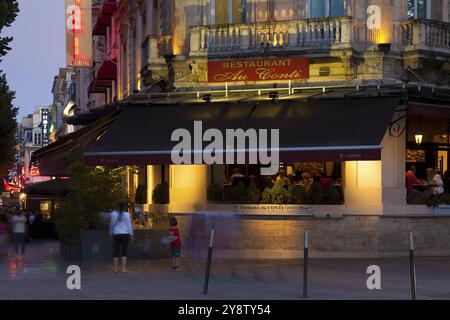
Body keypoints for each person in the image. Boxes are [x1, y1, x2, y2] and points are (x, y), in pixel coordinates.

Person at [109, 201, 134, 273]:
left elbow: (111, 224)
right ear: (124, 207)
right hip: (125, 234)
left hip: (116, 234)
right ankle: (124, 269)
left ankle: (115, 269)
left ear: (117, 206)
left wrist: (111, 233)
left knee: (116, 251)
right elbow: (129, 225)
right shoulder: (127, 214)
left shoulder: (113, 214)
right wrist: (131, 234)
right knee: (124, 251)